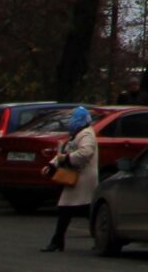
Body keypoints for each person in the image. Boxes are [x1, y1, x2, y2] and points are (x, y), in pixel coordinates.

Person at [41, 107, 97, 251]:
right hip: (77, 177)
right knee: (73, 209)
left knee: (72, 209)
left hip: (82, 178)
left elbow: (85, 153)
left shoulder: (86, 134)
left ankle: (57, 241)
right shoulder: (78, 134)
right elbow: (66, 152)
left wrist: (65, 159)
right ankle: (58, 241)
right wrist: (52, 165)